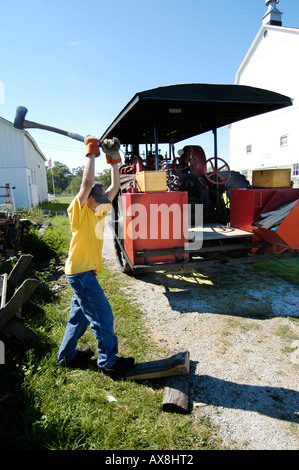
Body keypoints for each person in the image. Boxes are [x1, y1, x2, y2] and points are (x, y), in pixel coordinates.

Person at [57, 135, 135, 377]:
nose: (103, 202)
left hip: (82, 272)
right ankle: (108, 363)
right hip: (80, 275)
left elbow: (114, 187)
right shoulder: (79, 212)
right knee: (102, 315)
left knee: (79, 318)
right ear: (88, 198)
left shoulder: (98, 211)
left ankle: (66, 356)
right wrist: (91, 152)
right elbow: (86, 182)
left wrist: (114, 159)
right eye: (97, 198)